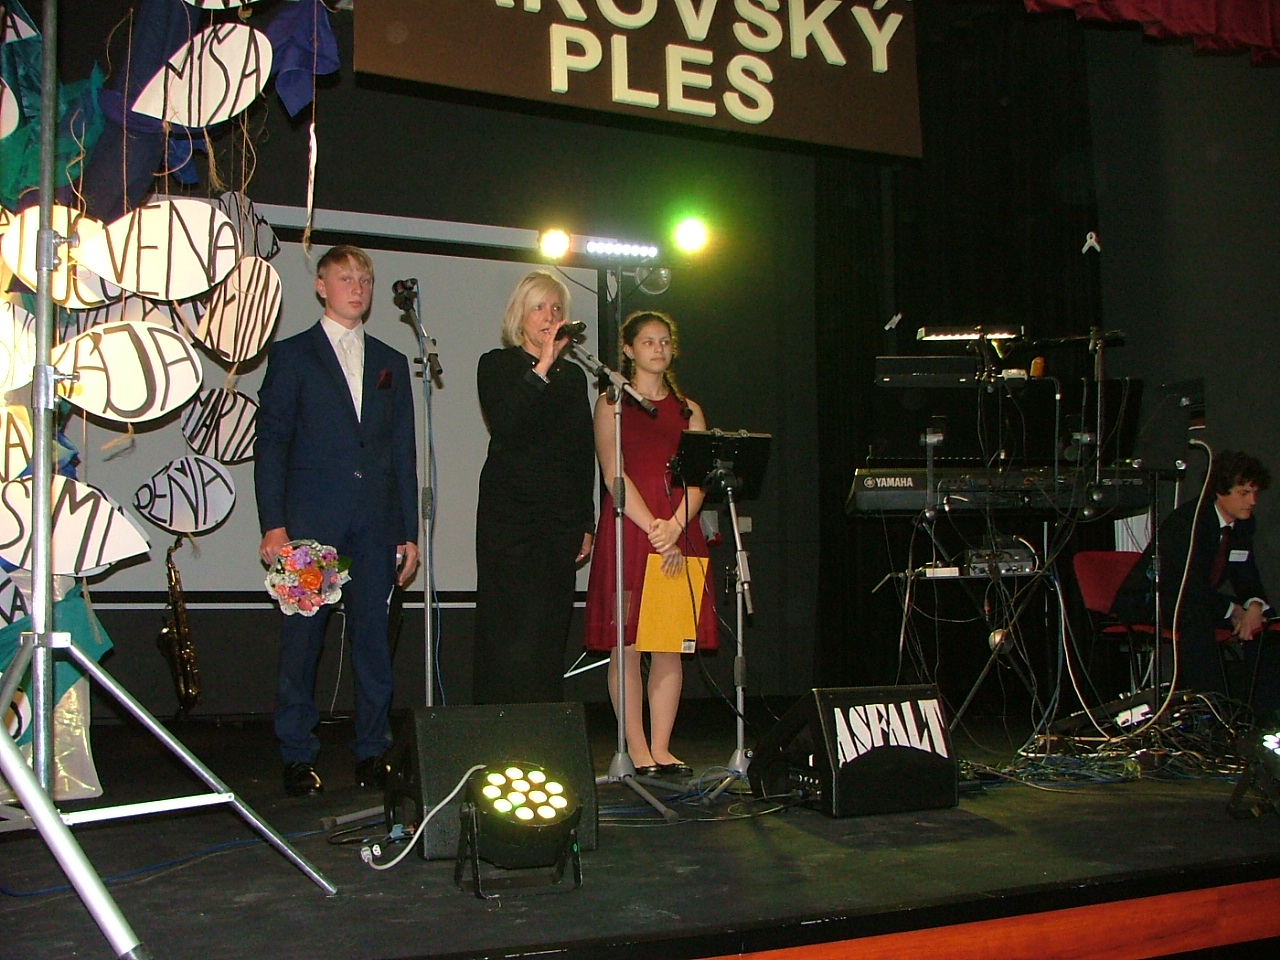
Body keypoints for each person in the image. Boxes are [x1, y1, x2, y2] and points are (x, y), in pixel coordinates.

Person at [255, 244, 420, 797]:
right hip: (309, 525)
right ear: (321, 286)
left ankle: (372, 750)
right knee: (303, 643)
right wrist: (274, 524)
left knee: (373, 641)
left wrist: (407, 532)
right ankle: (297, 754)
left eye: (364, 279)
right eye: (345, 278)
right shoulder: (293, 355)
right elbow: (272, 443)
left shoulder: (390, 360)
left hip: (375, 525)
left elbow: (401, 452)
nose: (357, 287)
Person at [583, 311, 717, 775]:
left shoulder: (689, 411)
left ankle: (662, 748)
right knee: (628, 645)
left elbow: (700, 480)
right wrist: (654, 529)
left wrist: (675, 527)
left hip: (680, 533)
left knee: (669, 644)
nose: (658, 349)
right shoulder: (611, 404)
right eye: (647, 342)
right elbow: (613, 474)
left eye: (664, 341)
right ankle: (636, 749)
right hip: (629, 532)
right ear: (628, 350)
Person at [473, 269, 595, 704]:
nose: (549, 316)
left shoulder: (573, 377)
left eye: (557, 308)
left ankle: (544, 724)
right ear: (520, 316)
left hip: (558, 522)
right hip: (508, 519)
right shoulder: (496, 365)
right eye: (539, 307)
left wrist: (586, 522)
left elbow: (582, 451)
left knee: (548, 627)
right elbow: (507, 424)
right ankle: (496, 722)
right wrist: (541, 366)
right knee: (504, 626)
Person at [1115, 450, 1278, 717]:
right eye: (1244, 493)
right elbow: (1187, 584)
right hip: (1153, 598)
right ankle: (1211, 712)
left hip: (1196, 599)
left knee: (1268, 624)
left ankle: (1261, 713)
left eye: (1255, 493)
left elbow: (1246, 573)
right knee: (1197, 618)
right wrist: (1234, 610)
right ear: (1220, 491)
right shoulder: (1188, 523)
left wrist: (1255, 606)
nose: (1252, 501)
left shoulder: (1243, 525)